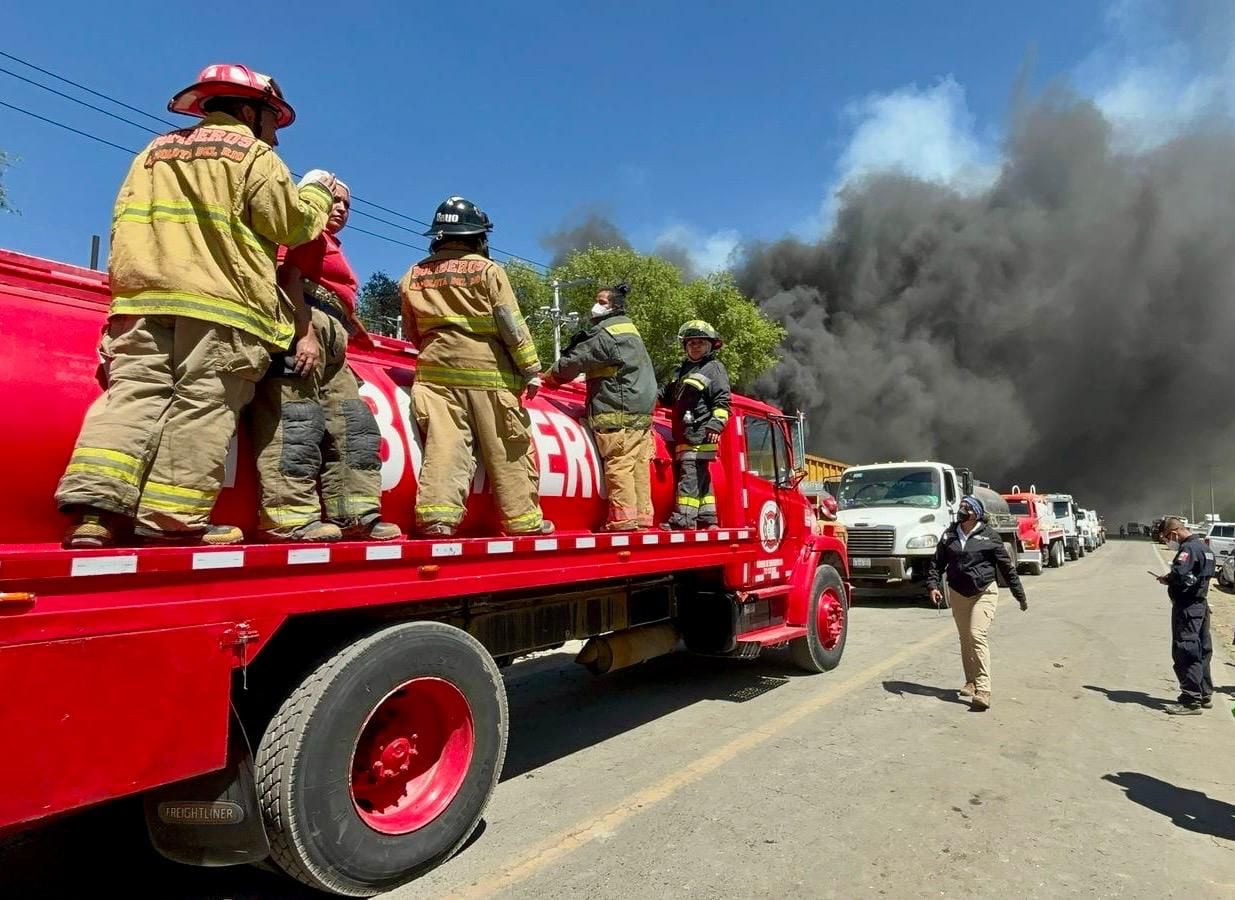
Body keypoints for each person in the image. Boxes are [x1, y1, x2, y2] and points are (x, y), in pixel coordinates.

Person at [55, 63, 335, 548]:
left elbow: (124, 223)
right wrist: (315, 193)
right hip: (221, 306)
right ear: (250, 111)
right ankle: (172, 520)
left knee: (130, 398)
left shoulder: (152, 152)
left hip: (142, 300)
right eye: (273, 122)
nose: (276, 136)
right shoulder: (254, 155)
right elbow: (291, 226)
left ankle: (94, 514)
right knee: (203, 405)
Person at [248, 179, 402, 542]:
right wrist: (304, 333)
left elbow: (333, 292)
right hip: (303, 325)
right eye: (334, 200)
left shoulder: (329, 244)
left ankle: (357, 514)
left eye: (347, 204)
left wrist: (354, 330)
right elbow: (287, 276)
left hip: (332, 336)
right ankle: (289, 518)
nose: (341, 208)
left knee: (355, 425)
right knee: (297, 422)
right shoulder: (303, 229)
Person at [399, 196, 551, 537]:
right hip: (489, 377)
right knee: (508, 448)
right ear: (478, 237)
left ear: (438, 235)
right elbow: (510, 324)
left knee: (445, 446)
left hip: (434, 375)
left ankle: (437, 519)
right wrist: (530, 368)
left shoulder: (413, 275)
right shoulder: (488, 271)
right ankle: (522, 521)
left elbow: (412, 330)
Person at [543, 283, 656, 530]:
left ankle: (623, 520)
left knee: (619, 465)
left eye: (602, 302)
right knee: (637, 466)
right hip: (641, 411)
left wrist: (548, 379)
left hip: (618, 410)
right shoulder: (629, 330)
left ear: (614, 306)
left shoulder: (606, 333)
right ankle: (642, 518)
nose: (596, 306)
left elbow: (575, 360)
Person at [927, 495, 1029, 711]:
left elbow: (1007, 569)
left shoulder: (989, 536)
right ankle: (971, 682)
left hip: (984, 592)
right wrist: (934, 586)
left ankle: (984, 689)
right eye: (961, 506)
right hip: (958, 593)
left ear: (976, 513)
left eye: (966, 507)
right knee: (965, 638)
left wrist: (1019, 595)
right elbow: (937, 563)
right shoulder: (949, 535)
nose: (961, 510)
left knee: (976, 635)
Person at [659, 320, 731, 530]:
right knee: (701, 475)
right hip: (685, 433)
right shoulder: (682, 371)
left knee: (689, 474)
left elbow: (722, 402)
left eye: (700, 343)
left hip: (700, 433)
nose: (695, 346)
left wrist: (715, 426)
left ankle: (684, 519)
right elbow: (665, 395)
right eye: (691, 343)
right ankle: (708, 519)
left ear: (710, 346)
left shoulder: (713, 369)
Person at [1156, 516, 1215, 714]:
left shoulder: (1188, 549)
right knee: (1202, 650)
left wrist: (1168, 579)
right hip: (1201, 606)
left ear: (1174, 533)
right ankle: (1205, 692)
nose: (1167, 542)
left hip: (1188, 607)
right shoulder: (1205, 549)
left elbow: (1181, 574)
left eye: (1166, 538)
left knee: (1186, 650)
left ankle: (1190, 699)